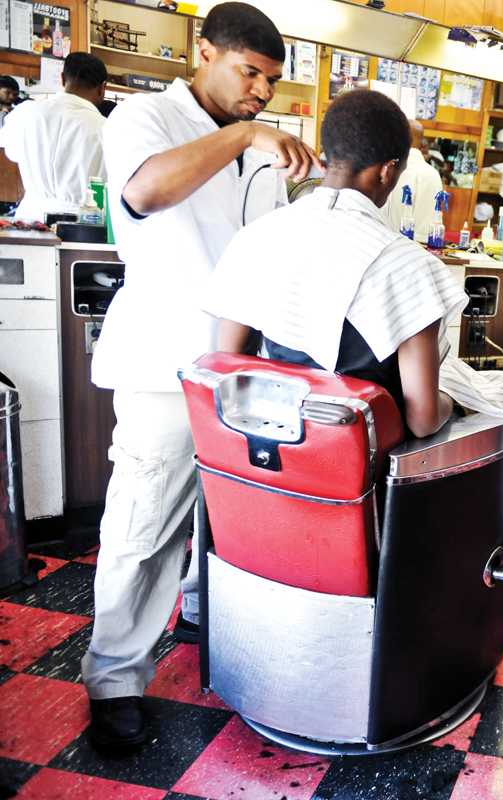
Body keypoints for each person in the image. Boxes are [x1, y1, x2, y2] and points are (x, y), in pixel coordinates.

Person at [82, 2, 318, 752]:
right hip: (163, 359)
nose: (261, 93)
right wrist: (244, 134)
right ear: (205, 52)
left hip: (238, 369)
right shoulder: (142, 118)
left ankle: (193, 610)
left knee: (220, 517)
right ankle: (115, 677)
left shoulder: (262, 149)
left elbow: (267, 252)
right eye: (251, 73)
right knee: (144, 523)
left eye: (272, 84)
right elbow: (147, 195)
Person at [204, 89, 503, 440]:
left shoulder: (257, 236)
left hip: (264, 450)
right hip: (362, 463)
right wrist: (454, 401)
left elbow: (228, 362)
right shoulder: (409, 266)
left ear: (328, 154)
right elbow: (422, 419)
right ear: (387, 171)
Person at [0, 53, 107, 221]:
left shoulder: (25, 113)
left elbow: (11, 153)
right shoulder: (107, 129)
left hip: (31, 222)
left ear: (63, 78)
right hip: (83, 226)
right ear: (102, 88)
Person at [382, 118, 444, 243]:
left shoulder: (389, 170)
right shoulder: (433, 174)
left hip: (389, 247)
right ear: (423, 145)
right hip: (422, 249)